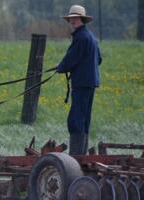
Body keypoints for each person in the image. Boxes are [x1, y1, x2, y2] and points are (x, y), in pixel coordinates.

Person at [56, 5, 102, 155]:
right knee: (84, 118)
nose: (72, 21)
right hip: (90, 82)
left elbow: (71, 59)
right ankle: (81, 155)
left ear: (82, 19)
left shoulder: (80, 37)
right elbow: (98, 59)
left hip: (82, 82)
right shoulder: (91, 37)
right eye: (71, 18)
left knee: (76, 119)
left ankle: (76, 157)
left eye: (75, 18)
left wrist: (60, 67)